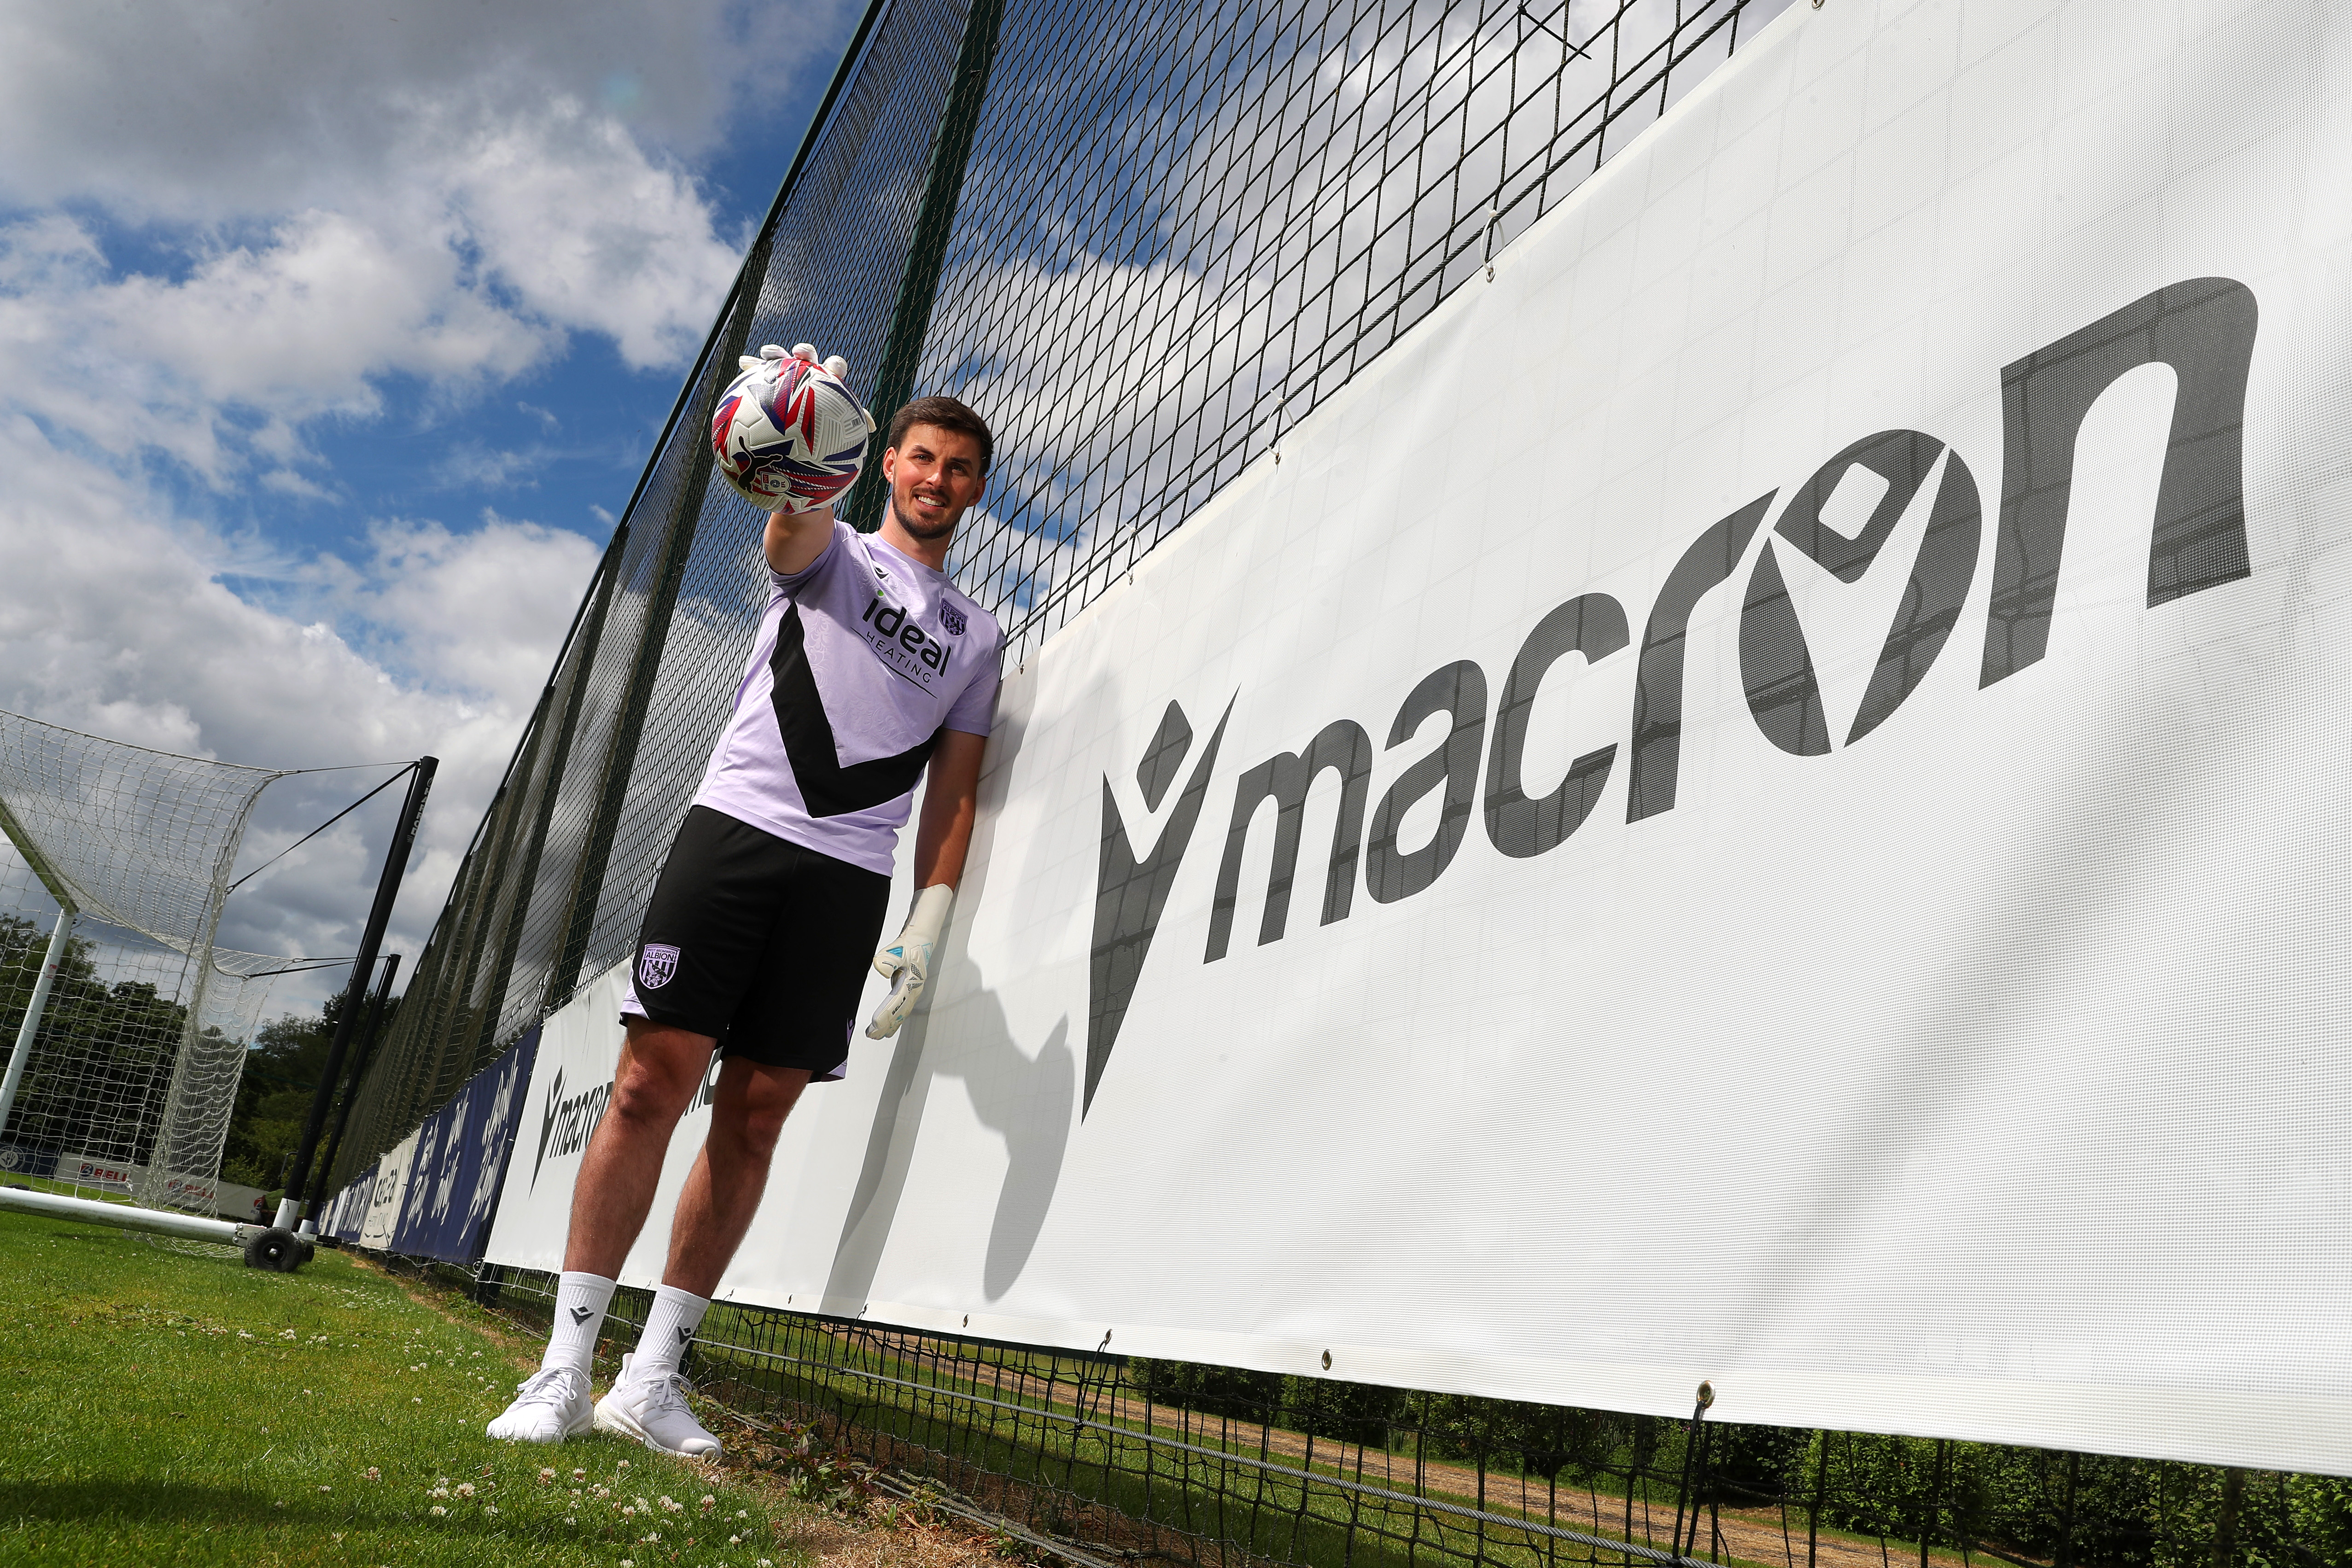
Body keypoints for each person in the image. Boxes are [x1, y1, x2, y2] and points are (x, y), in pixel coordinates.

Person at [487, 382, 1004, 1457]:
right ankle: (562, 1370)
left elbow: (953, 789)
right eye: (919, 458)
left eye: (957, 468)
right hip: (739, 831)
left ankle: (651, 1376)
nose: (935, 479)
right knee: (645, 1087)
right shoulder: (836, 548)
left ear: (975, 489)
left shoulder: (975, 636)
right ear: (889, 463)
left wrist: (930, 915)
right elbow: (788, 533)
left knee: (756, 1116)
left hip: (847, 878)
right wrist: (796, 460)